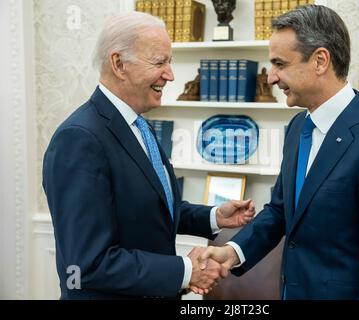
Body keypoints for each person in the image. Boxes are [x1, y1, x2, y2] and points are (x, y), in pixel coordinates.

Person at [198, 5, 359, 299]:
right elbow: (281, 211)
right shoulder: (297, 127)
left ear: (320, 60)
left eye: (280, 64)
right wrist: (232, 252)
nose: (271, 78)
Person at [42, 12, 255, 300]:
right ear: (119, 64)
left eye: (170, 61)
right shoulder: (79, 139)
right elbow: (87, 264)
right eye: (159, 62)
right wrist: (186, 270)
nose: (170, 74)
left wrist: (215, 217)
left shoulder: (139, 126)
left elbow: (151, 210)